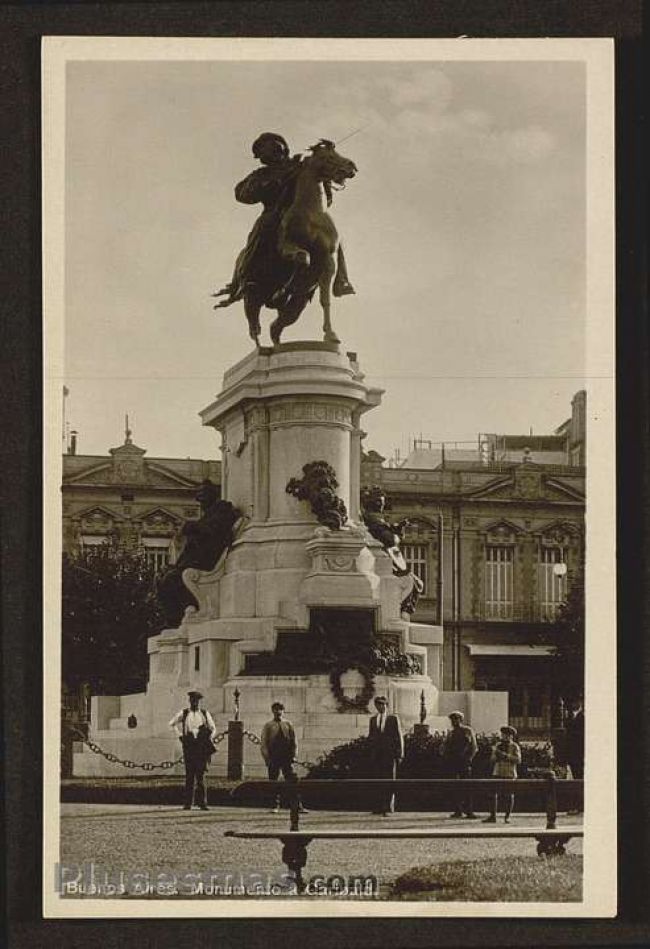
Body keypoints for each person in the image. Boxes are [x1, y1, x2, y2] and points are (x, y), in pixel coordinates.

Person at [214, 132, 354, 309]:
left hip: (305, 213)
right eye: (266, 149)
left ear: (283, 147)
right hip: (275, 213)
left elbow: (325, 185)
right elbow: (241, 193)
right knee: (264, 229)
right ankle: (246, 276)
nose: (273, 150)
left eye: (275, 145)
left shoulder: (301, 164)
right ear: (262, 156)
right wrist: (273, 182)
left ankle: (341, 281)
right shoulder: (261, 174)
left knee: (332, 234)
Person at [169, 690, 217, 810]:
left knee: (201, 775)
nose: (195, 703)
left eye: (197, 701)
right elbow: (172, 723)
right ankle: (188, 803)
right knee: (189, 775)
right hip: (189, 746)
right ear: (189, 701)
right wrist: (179, 735)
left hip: (201, 747)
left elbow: (213, 728)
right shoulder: (184, 713)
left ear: (199, 702)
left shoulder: (205, 714)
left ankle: (202, 803)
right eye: (192, 700)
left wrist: (208, 737)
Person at [260, 702, 307, 813]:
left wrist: (294, 755)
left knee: (292, 782)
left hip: (286, 757)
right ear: (272, 711)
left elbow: (294, 741)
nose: (278, 712)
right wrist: (267, 758)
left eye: (280, 709)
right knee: (273, 782)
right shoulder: (268, 725)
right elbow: (264, 743)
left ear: (283, 711)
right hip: (274, 757)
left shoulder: (288, 724)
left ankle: (297, 805)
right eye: (275, 709)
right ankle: (274, 805)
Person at [368, 695, 404, 815]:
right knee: (377, 780)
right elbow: (371, 737)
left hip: (390, 755)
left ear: (386, 705)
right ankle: (378, 806)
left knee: (389, 780)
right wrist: (371, 752)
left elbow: (399, 737)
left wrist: (400, 754)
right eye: (378, 704)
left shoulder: (393, 718)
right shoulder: (373, 719)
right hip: (378, 755)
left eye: (383, 704)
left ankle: (388, 806)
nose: (381, 706)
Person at [442, 711, 478, 818]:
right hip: (453, 763)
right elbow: (446, 747)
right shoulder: (451, 733)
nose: (454, 722)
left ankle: (469, 811)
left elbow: (474, 747)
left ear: (460, 720)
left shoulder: (467, 731)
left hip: (464, 762)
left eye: (456, 719)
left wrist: (469, 759)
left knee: (467, 787)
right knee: (455, 787)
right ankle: (458, 810)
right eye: (452, 720)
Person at [483, 725, 522, 823]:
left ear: (511, 736)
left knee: (509, 795)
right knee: (493, 794)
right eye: (503, 735)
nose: (505, 737)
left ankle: (507, 816)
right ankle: (493, 816)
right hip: (498, 771)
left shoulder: (514, 746)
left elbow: (518, 760)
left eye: (507, 735)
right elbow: (492, 760)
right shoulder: (498, 745)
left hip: (509, 773)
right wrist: (495, 755)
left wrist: (505, 755)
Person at [565, 698, 584, 780]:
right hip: (571, 751)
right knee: (574, 772)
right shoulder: (569, 716)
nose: (573, 704)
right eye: (572, 702)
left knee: (579, 773)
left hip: (579, 751)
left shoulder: (583, 716)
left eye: (575, 702)